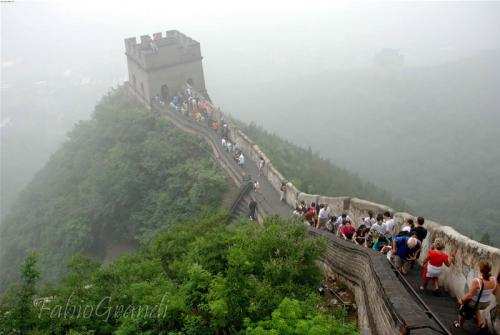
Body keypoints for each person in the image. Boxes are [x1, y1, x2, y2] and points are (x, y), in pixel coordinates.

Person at [454, 261, 498, 330]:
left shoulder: (477, 281)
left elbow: (470, 295)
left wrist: (461, 300)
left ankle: (460, 324)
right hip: (486, 303)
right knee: (476, 309)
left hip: (475, 302)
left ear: (480, 270)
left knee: (463, 308)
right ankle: (481, 325)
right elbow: (493, 291)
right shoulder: (494, 279)